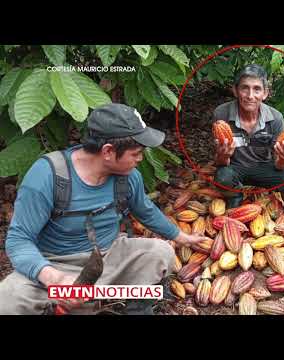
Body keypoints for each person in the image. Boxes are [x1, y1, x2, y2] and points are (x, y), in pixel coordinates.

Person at [0, 103, 207, 315]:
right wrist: (54, 278)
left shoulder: (128, 176)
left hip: (108, 258)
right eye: (136, 153)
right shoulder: (49, 175)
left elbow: (145, 210)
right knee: (7, 300)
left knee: (160, 252)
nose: (140, 159)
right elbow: (18, 240)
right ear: (108, 151)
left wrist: (182, 237)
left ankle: (134, 308)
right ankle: (61, 303)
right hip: (55, 263)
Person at [213, 64, 284, 224]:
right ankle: (235, 197)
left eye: (256, 89)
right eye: (244, 88)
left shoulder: (275, 118)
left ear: (265, 93)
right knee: (222, 176)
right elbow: (220, 163)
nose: (250, 95)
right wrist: (223, 154)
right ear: (235, 90)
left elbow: (280, 165)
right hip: (236, 167)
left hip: (265, 168)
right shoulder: (222, 113)